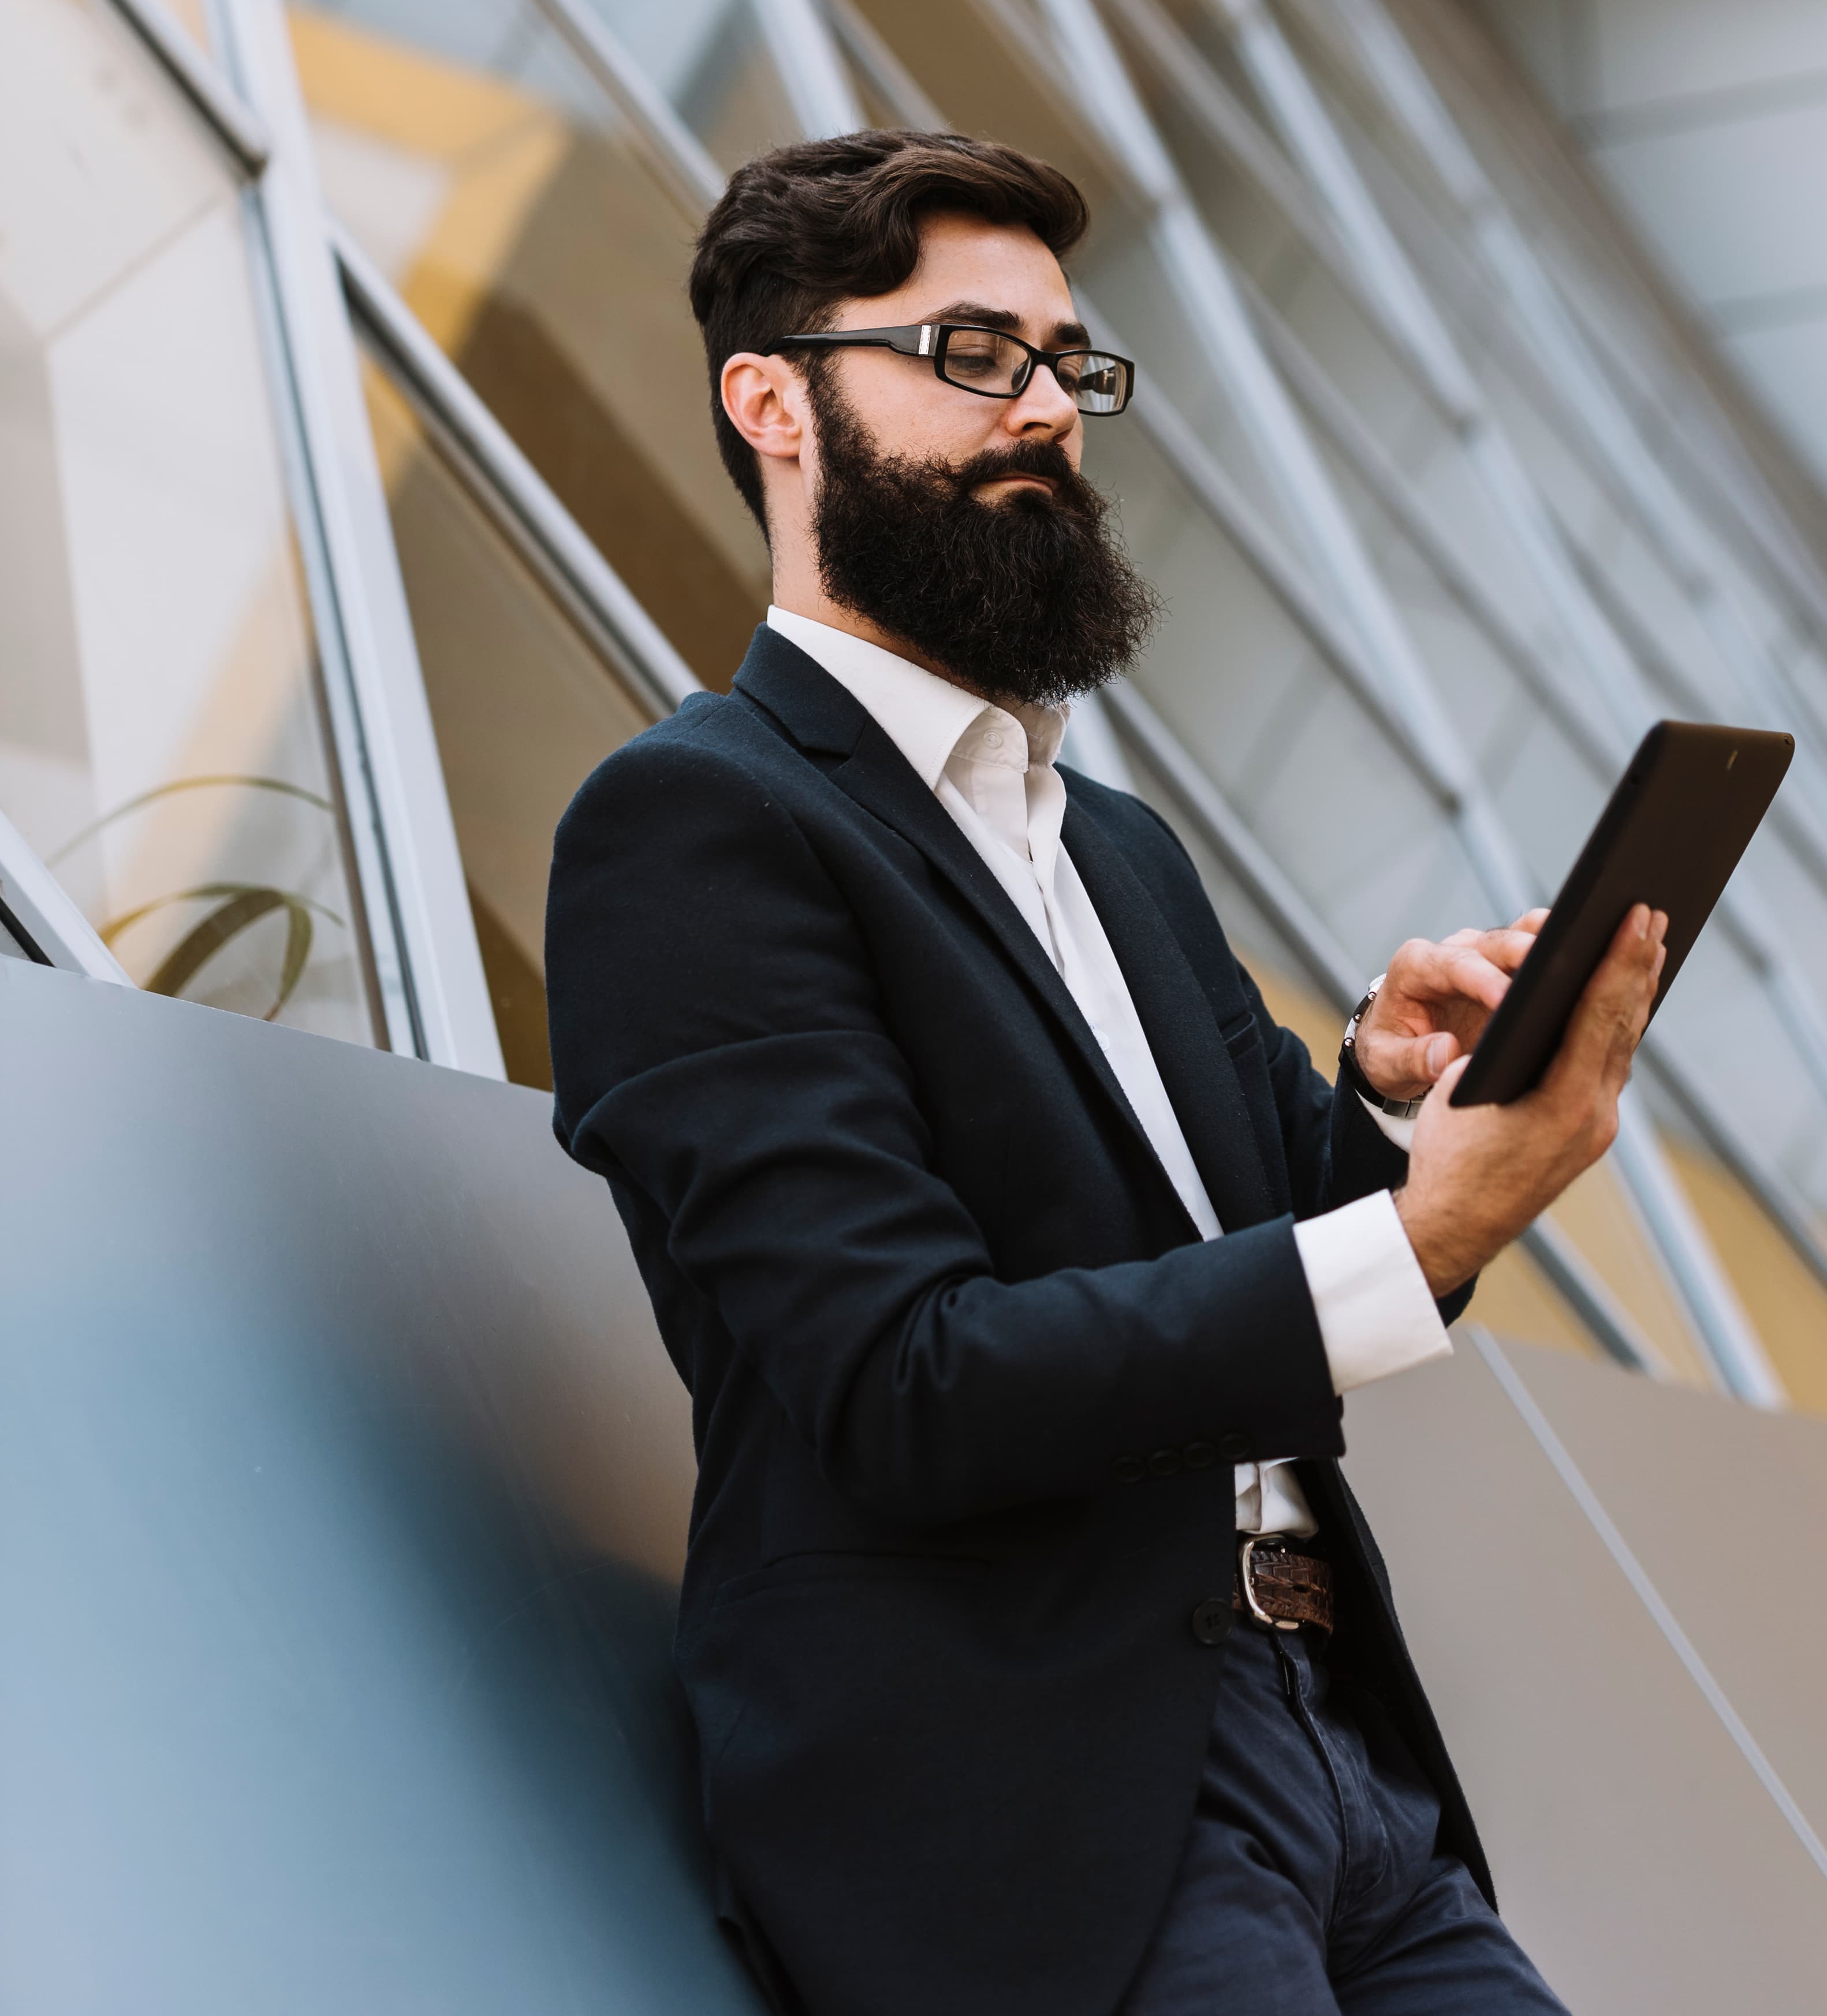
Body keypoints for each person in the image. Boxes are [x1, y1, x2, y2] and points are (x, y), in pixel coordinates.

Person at [546, 131, 1664, 2016]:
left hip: (1338, 1750)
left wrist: (1392, 1117)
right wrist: (1425, 1236)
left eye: (1068, 363)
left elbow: (1262, 1264)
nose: (1047, 409)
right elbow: (906, 1382)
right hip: (1035, 1800)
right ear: (773, 403)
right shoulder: (696, 827)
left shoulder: (1117, 851)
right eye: (973, 356)